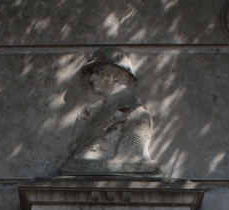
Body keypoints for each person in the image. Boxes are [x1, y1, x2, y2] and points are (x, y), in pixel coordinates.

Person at [61, 47, 161, 175]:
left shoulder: (136, 114)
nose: (91, 78)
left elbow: (130, 163)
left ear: (116, 75)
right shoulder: (94, 111)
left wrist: (77, 166)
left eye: (97, 72)